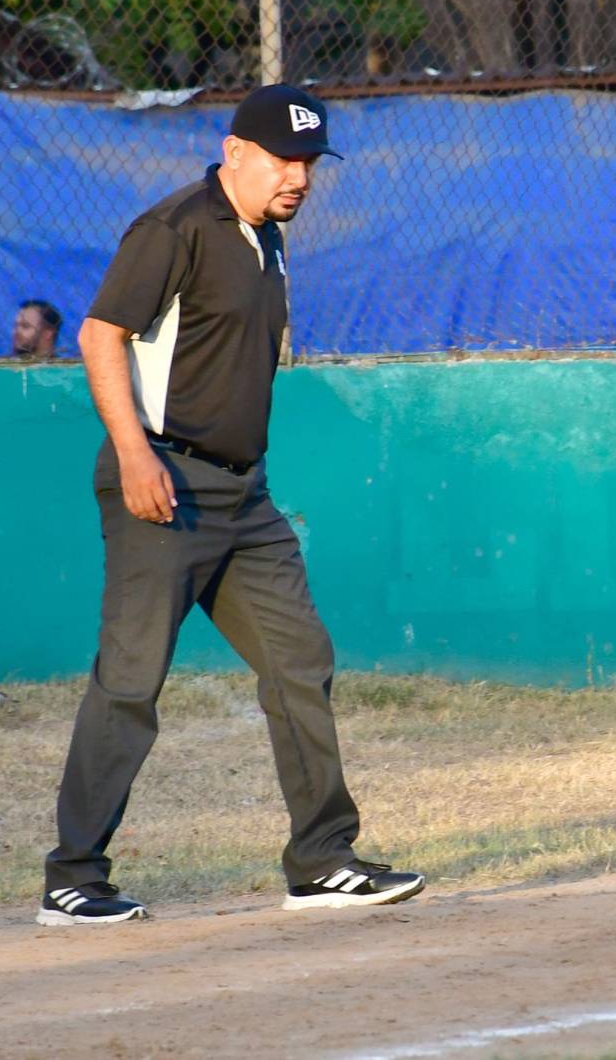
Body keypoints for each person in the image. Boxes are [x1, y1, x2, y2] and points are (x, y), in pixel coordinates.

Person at [40, 84, 423, 926]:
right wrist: (137, 454)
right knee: (131, 682)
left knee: (300, 661)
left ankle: (322, 861)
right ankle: (73, 878)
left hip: (244, 497)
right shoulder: (172, 228)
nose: (299, 177)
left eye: (311, 163)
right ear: (234, 151)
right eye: (285, 160)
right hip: (163, 485)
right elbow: (100, 335)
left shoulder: (269, 238)